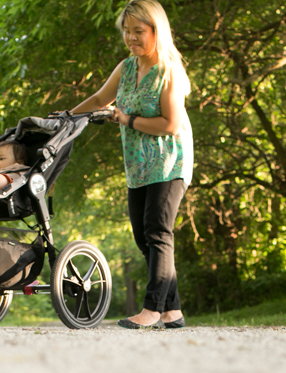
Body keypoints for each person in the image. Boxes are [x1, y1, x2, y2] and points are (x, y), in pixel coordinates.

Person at [69, 0, 193, 329]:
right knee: (144, 236)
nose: (131, 38)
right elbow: (99, 99)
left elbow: (170, 124)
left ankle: (152, 310)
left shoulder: (169, 72)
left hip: (170, 161)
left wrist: (128, 119)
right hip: (138, 166)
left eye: (138, 32)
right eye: (127, 32)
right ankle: (173, 310)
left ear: (157, 31)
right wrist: (67, 119)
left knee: (157, 231)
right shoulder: (126, 67)